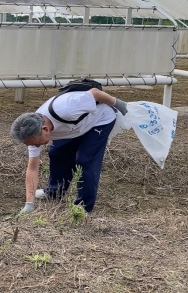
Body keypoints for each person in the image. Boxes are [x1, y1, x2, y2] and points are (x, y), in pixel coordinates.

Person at [10, 87, 127, 215]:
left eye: (37, 144)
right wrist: (29, 203)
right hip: (74, 127)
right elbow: (32, 168)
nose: (36, 147)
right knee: (57, 153)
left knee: (85, 160)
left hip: (99, 120)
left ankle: (83, 208)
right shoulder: (31, 134)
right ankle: (54, 192)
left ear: (45, 129)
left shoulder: (66, 108)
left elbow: (95, 93)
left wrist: (118, 104)